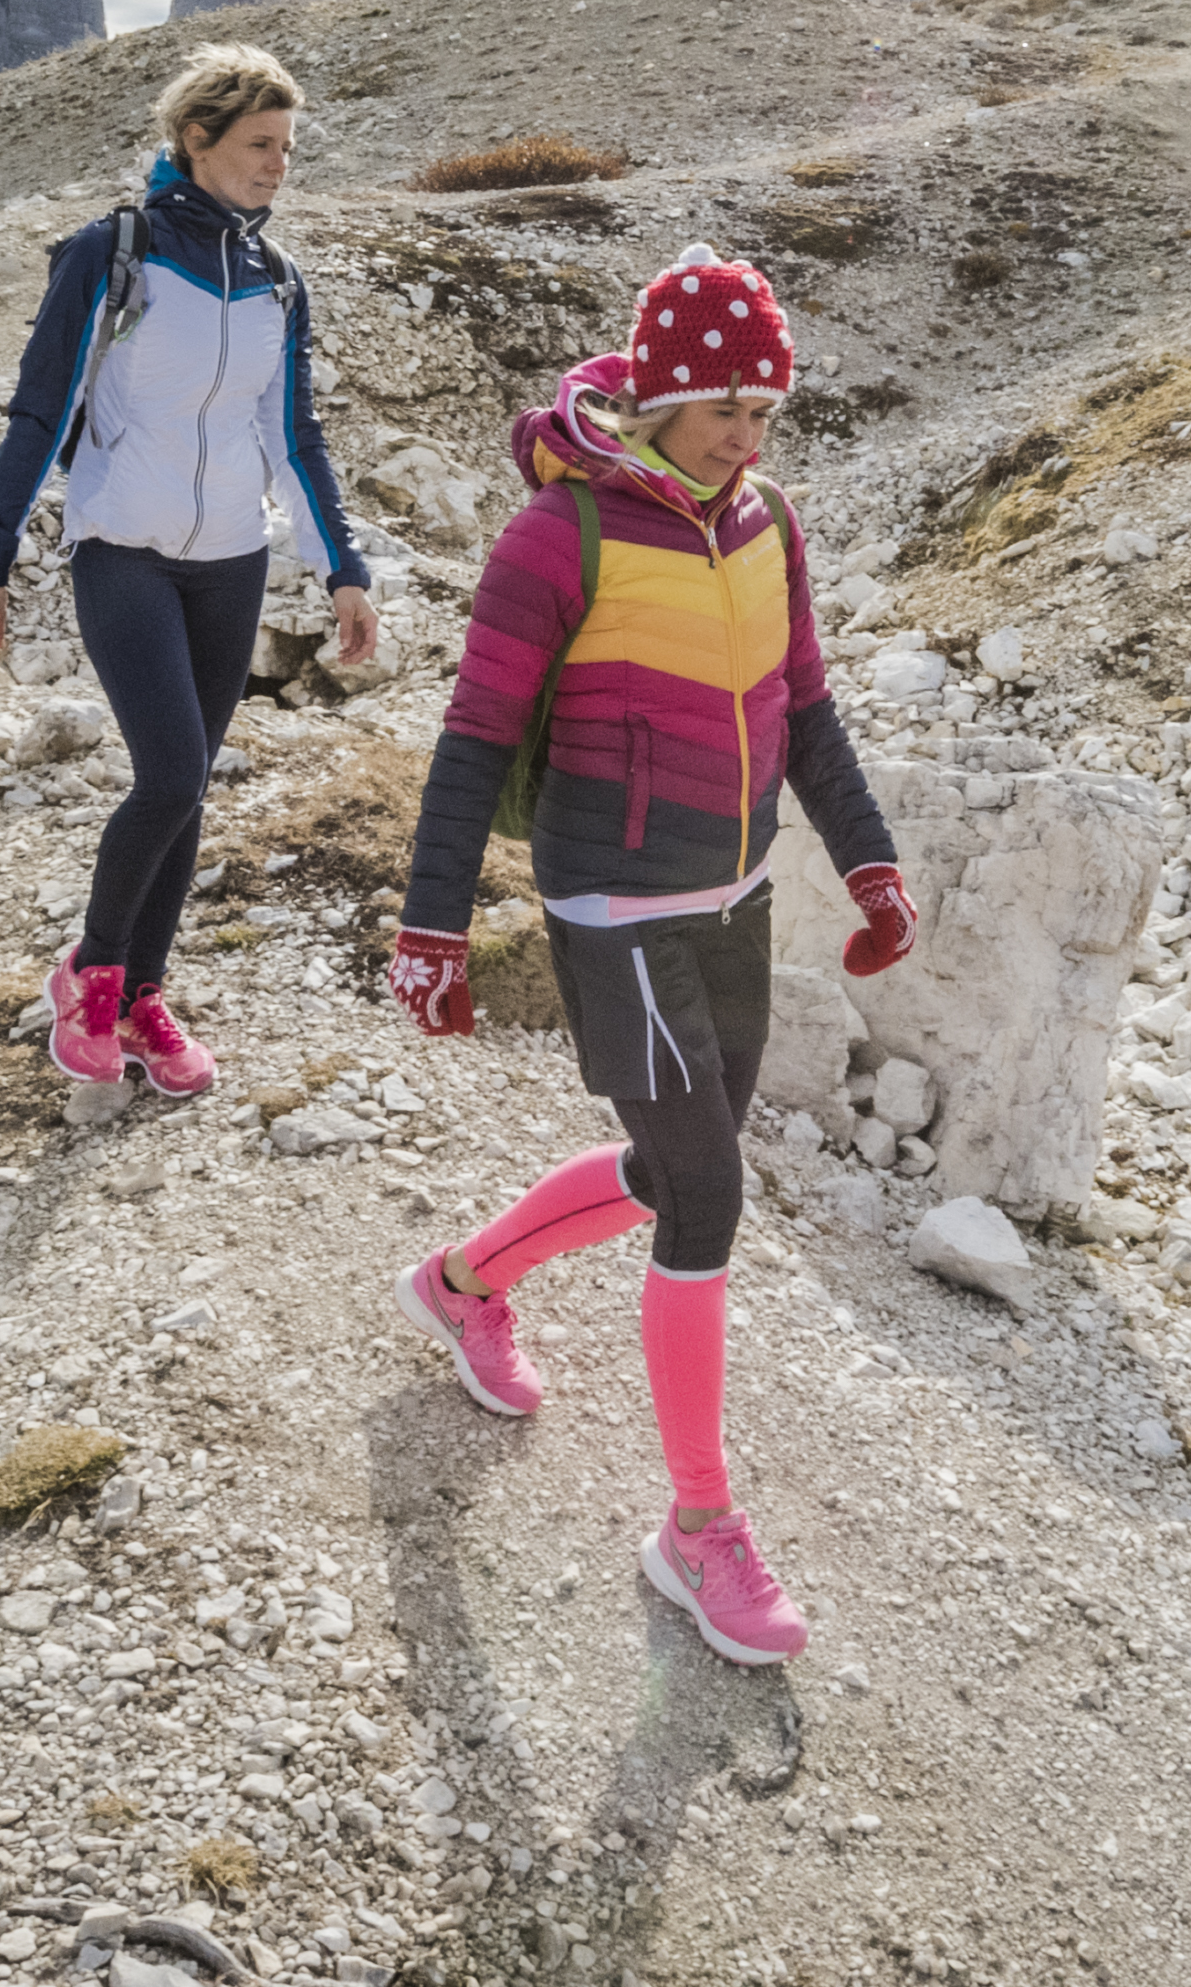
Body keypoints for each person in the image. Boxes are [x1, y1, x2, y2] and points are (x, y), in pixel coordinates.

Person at [380, 253, 915, 1667]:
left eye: (767, 408)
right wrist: (434, 922)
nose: (751, 434)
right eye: (727, 406)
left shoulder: (768, 524)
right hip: (611, 905)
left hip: (731, 896)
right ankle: (698, 1530)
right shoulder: (560, 538)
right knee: (707, 1192)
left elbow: (803, 709)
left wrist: (870, 862)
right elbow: (475, 737)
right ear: (663, 395)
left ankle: (463, 1282)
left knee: (673, 1163)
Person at [0, 45, 381, 1098]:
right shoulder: (113, 253)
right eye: (257, 145)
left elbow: (296, 437)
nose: (278, 165)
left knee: (187, 791)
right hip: (121, 547)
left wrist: (344, 572)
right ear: (196, 140)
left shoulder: (280, 281)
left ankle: (145, 991)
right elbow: (39, 413)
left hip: (230, 558)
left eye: (287, 147)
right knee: (171, 773)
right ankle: (92, 971)